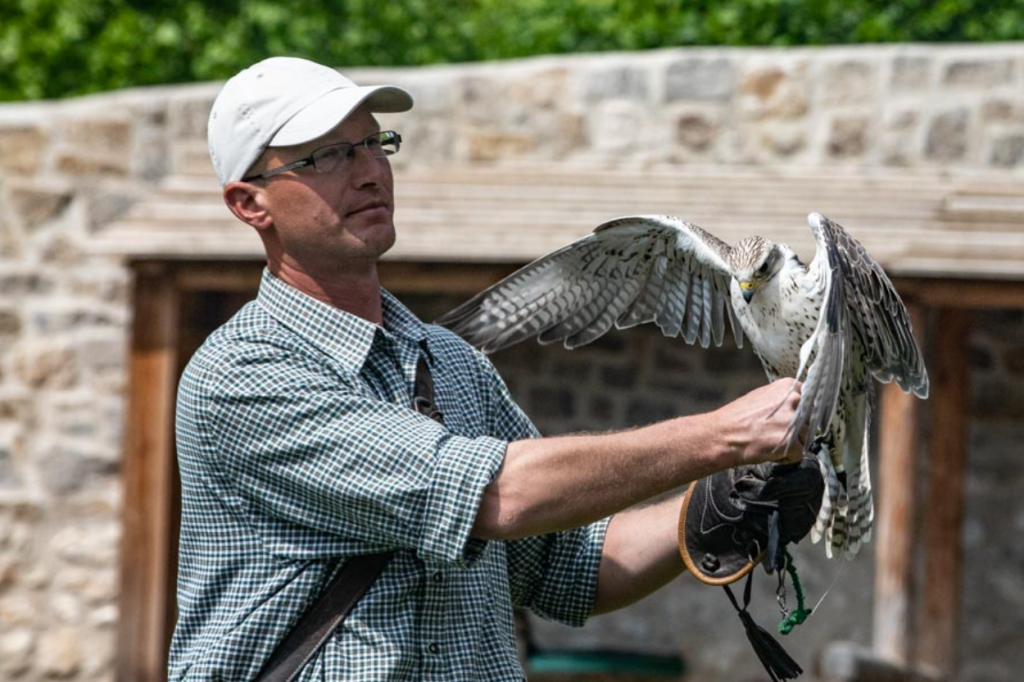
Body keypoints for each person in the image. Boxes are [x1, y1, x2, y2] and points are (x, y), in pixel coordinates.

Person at [168, 56, 806, 681]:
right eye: (327, 156)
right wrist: (720, 436)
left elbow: (574, 567)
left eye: (373, 143)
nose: (369, 173)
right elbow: (501, 496)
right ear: (250, 203)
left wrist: (718, 503)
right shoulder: (241, 374)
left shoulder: (450, 364)